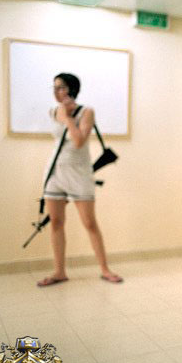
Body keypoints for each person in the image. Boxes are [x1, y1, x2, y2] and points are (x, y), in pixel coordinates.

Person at [37, 73, 123, 286]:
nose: (56, 92)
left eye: (61, 87)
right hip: (55, 172)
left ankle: (105, 269)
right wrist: (61, 115)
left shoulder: (86, 112)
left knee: (89, 222)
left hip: (79, 173)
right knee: (56, 222)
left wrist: (67, 119)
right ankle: (59, 272)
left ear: (72, 89)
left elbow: (78, 142)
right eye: (54, 87)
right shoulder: (53, 111)